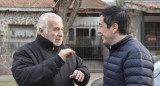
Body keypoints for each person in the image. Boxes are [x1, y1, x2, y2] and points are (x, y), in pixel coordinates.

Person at [11, 13, 90, 86]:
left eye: (61, 29)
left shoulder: (67, 50)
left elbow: (83, 68)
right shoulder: (25, 52)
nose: (61, 34)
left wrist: (82, 73)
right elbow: (23, 79)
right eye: (56, 29)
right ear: (41, 31)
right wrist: (57, 61)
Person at [98, 6, 154, 86]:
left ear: (114, 27)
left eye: (101, 26)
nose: (98, 31)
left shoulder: (136, 54)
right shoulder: (113, 49)